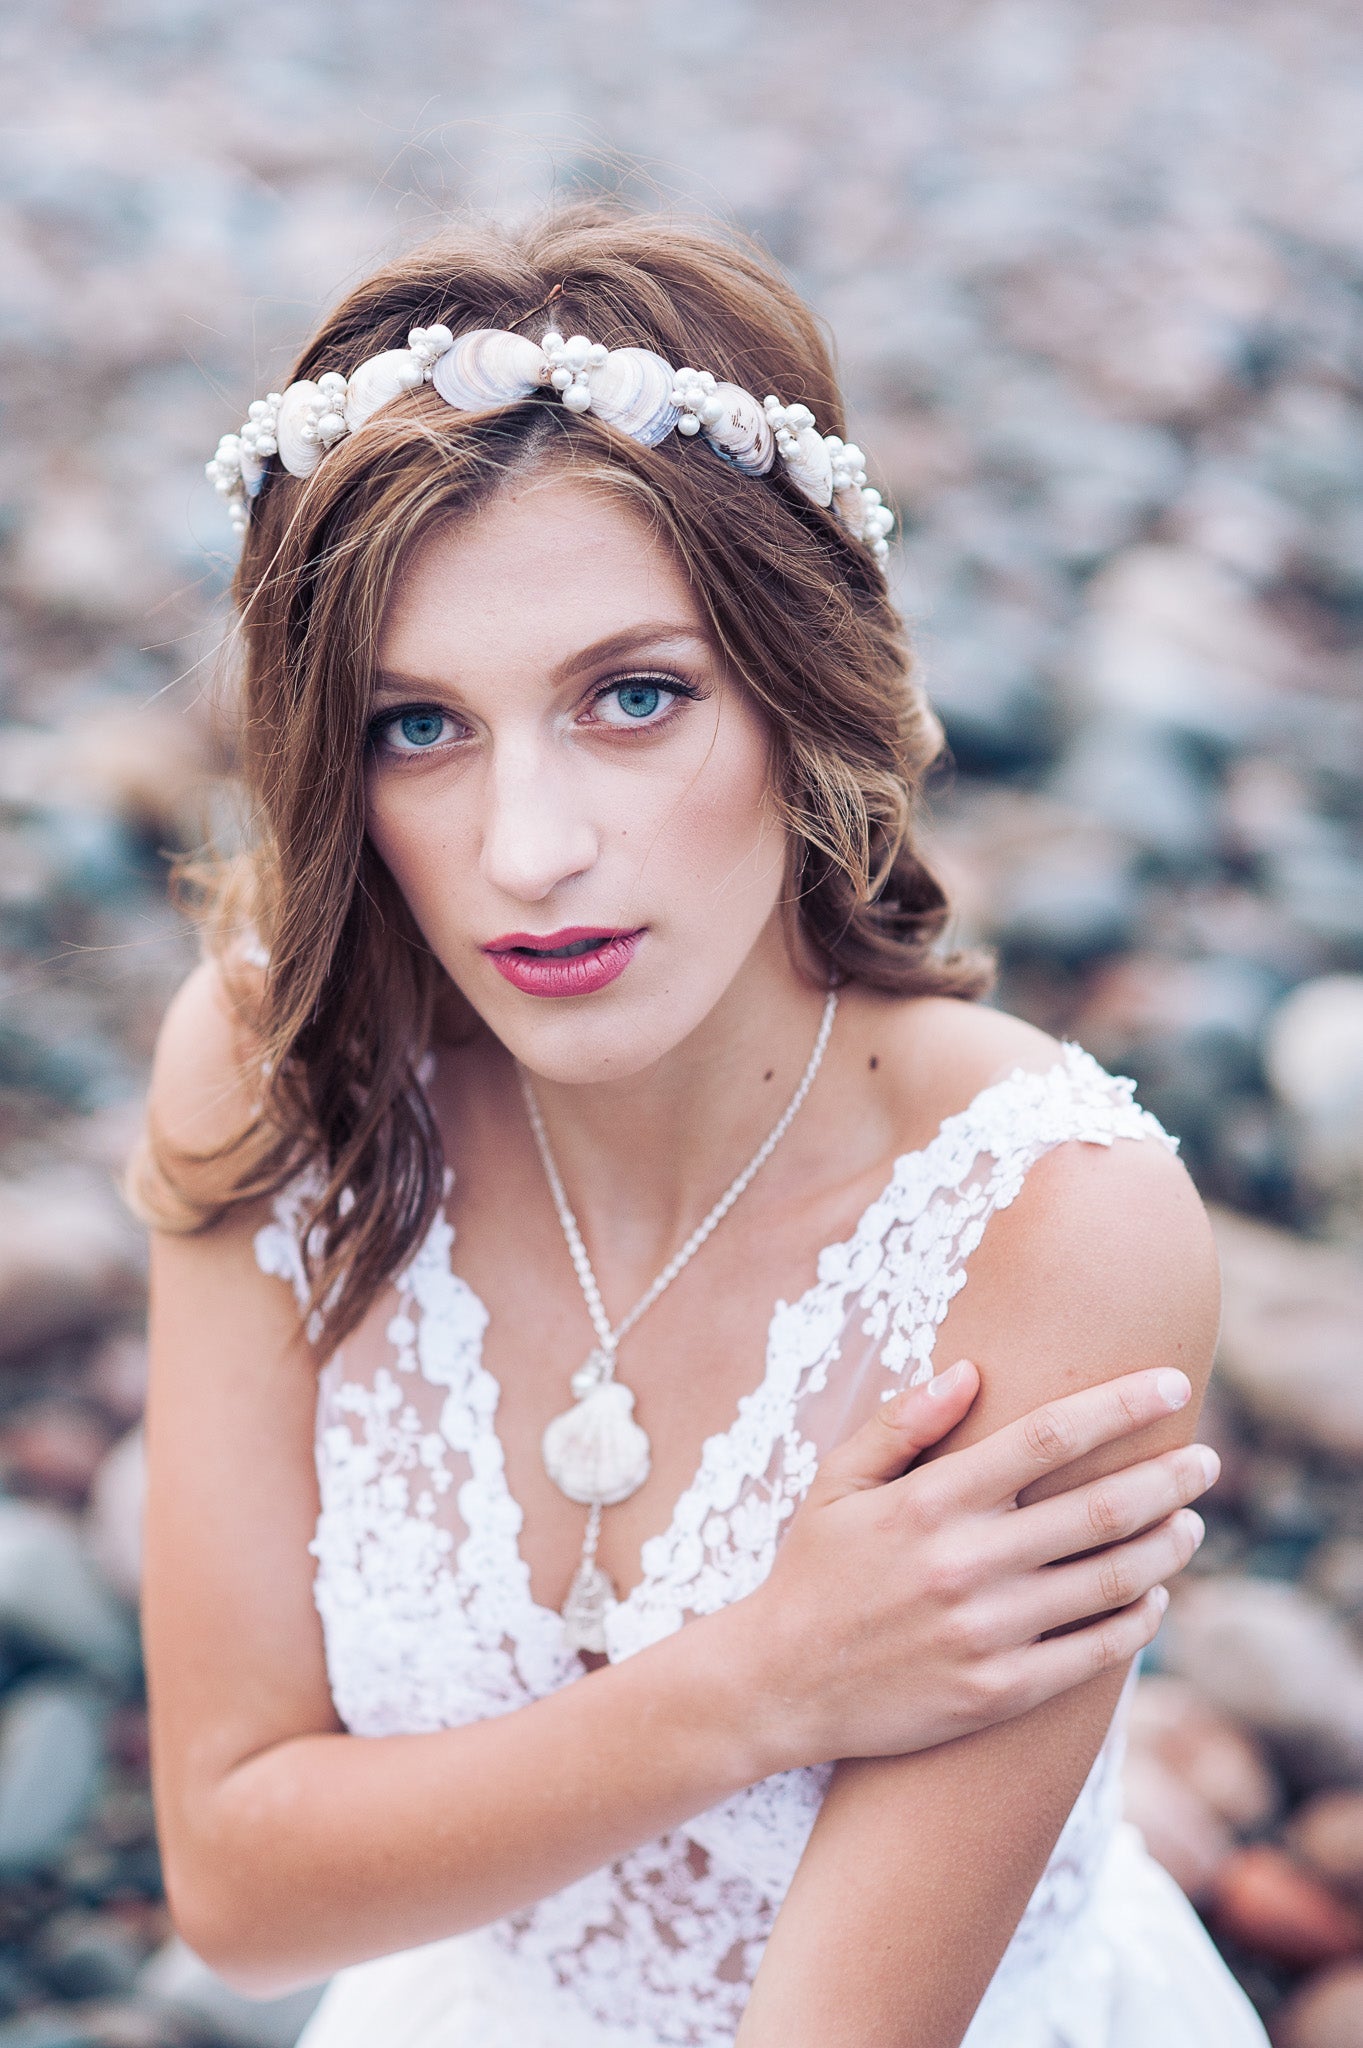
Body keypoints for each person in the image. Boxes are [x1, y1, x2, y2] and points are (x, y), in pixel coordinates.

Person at [132, 203, 1270, 2048]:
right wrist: (765, 1682)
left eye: (635, 697)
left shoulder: (1049, 1226)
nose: (530, 853)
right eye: (418, 728)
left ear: (798, 689)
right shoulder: (285, 1073)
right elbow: (243, 1889)